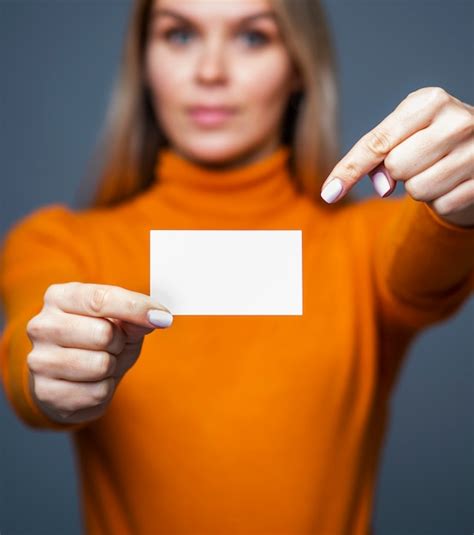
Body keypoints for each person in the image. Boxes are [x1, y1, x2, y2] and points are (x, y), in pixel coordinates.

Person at [1, 0, 473, 533]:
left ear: (299, 64)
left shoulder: (363, 245)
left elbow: (431, 254)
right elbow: (29, 354)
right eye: (179, 35)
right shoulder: (60, 244)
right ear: (143, 61)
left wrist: (461, 198)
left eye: (253, 38)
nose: (210, 72)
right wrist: (48, 374)